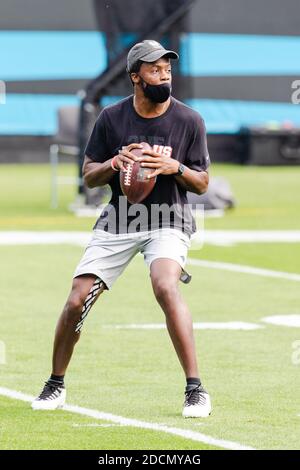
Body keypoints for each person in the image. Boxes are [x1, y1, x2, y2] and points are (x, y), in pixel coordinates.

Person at [32, 40, 211, 418]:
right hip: (120, 218)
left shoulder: (189, 120)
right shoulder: (112, 119)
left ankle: (195, 389)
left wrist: (174, 168)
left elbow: (202, 183)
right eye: (154, 69)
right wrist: (116, 162)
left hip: (168, 217)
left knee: (165, 284)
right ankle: (55, 384)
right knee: (78, 298)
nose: (164, 74)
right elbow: (89, 175)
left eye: (167, 68)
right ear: (135, 77)